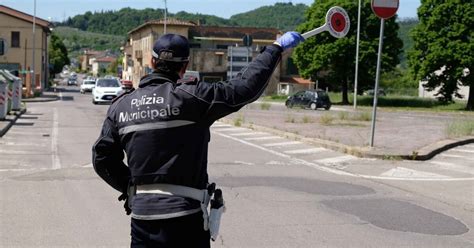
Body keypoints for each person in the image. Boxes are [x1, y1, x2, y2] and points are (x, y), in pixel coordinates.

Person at [92, 31, 304, 247]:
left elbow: (102, 159)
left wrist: (130, 188)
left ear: (151, 62)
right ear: (184, 67)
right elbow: (245, 87)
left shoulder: (121, 106)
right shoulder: (193, 97)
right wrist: (275, 48)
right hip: (186, 218)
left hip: (143, 221)